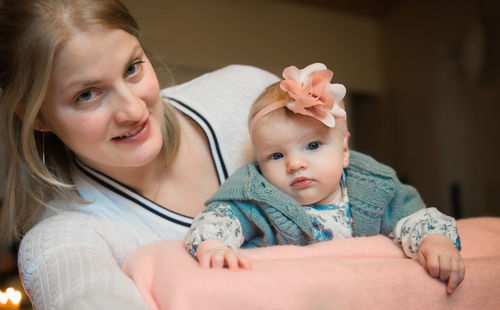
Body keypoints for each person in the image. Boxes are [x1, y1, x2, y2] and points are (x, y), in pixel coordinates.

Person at [0, 0, 277, 309]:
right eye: (87, 95)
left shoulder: (249, 96)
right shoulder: (63, 238)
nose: (133, 110)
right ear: (36, 116)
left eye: (132, 68)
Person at [184, 63, 464, 293]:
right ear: (259, 163)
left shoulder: (372, 188)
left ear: (344, 152)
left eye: (313, 146)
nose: (295, 164)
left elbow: (411, 216)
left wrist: (434, 241)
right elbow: (220, 217)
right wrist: (215, 245)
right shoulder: (258, 197)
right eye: (276, 156)